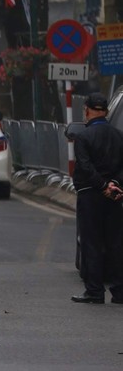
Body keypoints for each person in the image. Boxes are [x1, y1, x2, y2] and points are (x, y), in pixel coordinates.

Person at [70, 92, 123, 304]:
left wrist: (101, 185)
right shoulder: (119, 136)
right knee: (116, 243)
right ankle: (119, 292)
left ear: (87, 110)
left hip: (90, 194)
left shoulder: (83, 137)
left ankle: (95, 291)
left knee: (91, 243)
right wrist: (114, 185)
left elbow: (84, 166)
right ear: (106, 112)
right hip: (114, 195)